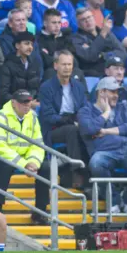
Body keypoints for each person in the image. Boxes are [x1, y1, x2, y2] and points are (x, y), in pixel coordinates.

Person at [0, 89, 48, 224]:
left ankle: (40, 212)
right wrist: (24, 164)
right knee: (4, 165)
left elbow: (37, 145)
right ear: (13, 103)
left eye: (28, 102)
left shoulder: (32, 117)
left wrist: (33, 162)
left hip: (21, 158)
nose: (26, 105)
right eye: (23, 102)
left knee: (46, 167)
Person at [78, 77, 127, 213]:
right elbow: (89, 129)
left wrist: (106, 131)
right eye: (112, 92)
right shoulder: (85, 111)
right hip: (103, 152)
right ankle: (114, 200)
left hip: (126, 149)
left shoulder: (123, 107)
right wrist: (106, 113)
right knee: (96, 163)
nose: (116, 96)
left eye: (117, 92)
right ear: (101, 92)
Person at [38, 50, 88, 187]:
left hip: (75, 124)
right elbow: (48, 116)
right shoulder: (46, 87)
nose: (67, 67)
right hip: (53, 129)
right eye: (63, 64)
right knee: (72, 130)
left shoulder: (78, 86)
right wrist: (68, 120)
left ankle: (87, 175)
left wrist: (82, 121)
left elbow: (85, 108)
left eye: (69, 64)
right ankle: (76, 171)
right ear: (56, 66)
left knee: (90, 131)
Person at [72, 7, 127, 77]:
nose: (87, 21)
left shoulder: (106, 32)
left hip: (114, 72)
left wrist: (103, 55)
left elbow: (123, 53)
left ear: (94, 18)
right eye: (83, 19)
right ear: (78, 24)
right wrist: (102, 34)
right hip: (95, 75)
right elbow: (90, 56)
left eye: (89, 17)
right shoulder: (76, 39)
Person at [0, 32, 41, 107]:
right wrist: (26, 102)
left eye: (31, 44)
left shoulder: (34, 65)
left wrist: (34, 100)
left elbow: (37, 89)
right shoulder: (7, 66)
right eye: (27, 44)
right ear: (17, 45)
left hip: (31, 104)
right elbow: (4, 96)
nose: (30, 47)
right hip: (14, 106)